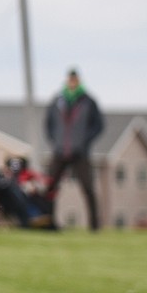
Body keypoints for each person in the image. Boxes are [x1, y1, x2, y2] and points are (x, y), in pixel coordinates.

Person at [45, 69, 104, 230]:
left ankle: (94, 225)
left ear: (79, 81)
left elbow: (98, 125)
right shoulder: (57, 100)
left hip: (80, 152)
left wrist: (85, 141)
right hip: (59, 150)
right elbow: (49, 124)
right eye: (70, 80)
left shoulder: (88, 102)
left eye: (75, 80)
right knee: (51, 187)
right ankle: (48, 221)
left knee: (88, 187)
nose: (72, 82)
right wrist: (55, 141)